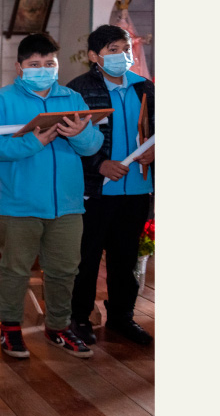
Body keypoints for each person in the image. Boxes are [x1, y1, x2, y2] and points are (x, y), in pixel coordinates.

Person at [0, 33, 103, 359]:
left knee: (65, 269)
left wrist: (80, 133)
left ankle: (58, 326)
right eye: (34, 64)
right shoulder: (0, 101)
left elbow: (94, 144)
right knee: (16, 269)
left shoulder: (72, 98)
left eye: (49, 63)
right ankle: (10, 329)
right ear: (20, 67)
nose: (43, 69)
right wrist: (34, 143)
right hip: (18, 202)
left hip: (67, 202)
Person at [66, 24, 156, 346]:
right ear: (94, 56)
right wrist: (99, 163)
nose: (123, 56)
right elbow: (68, 140)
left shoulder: (145, 87)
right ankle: (79, 318)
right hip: (95, 190)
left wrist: (154, 152)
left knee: (125, 257)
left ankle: (122, 317)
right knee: (86, 257)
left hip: (136, 188)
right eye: (113, 50)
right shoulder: (78, 89)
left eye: (126, 49)